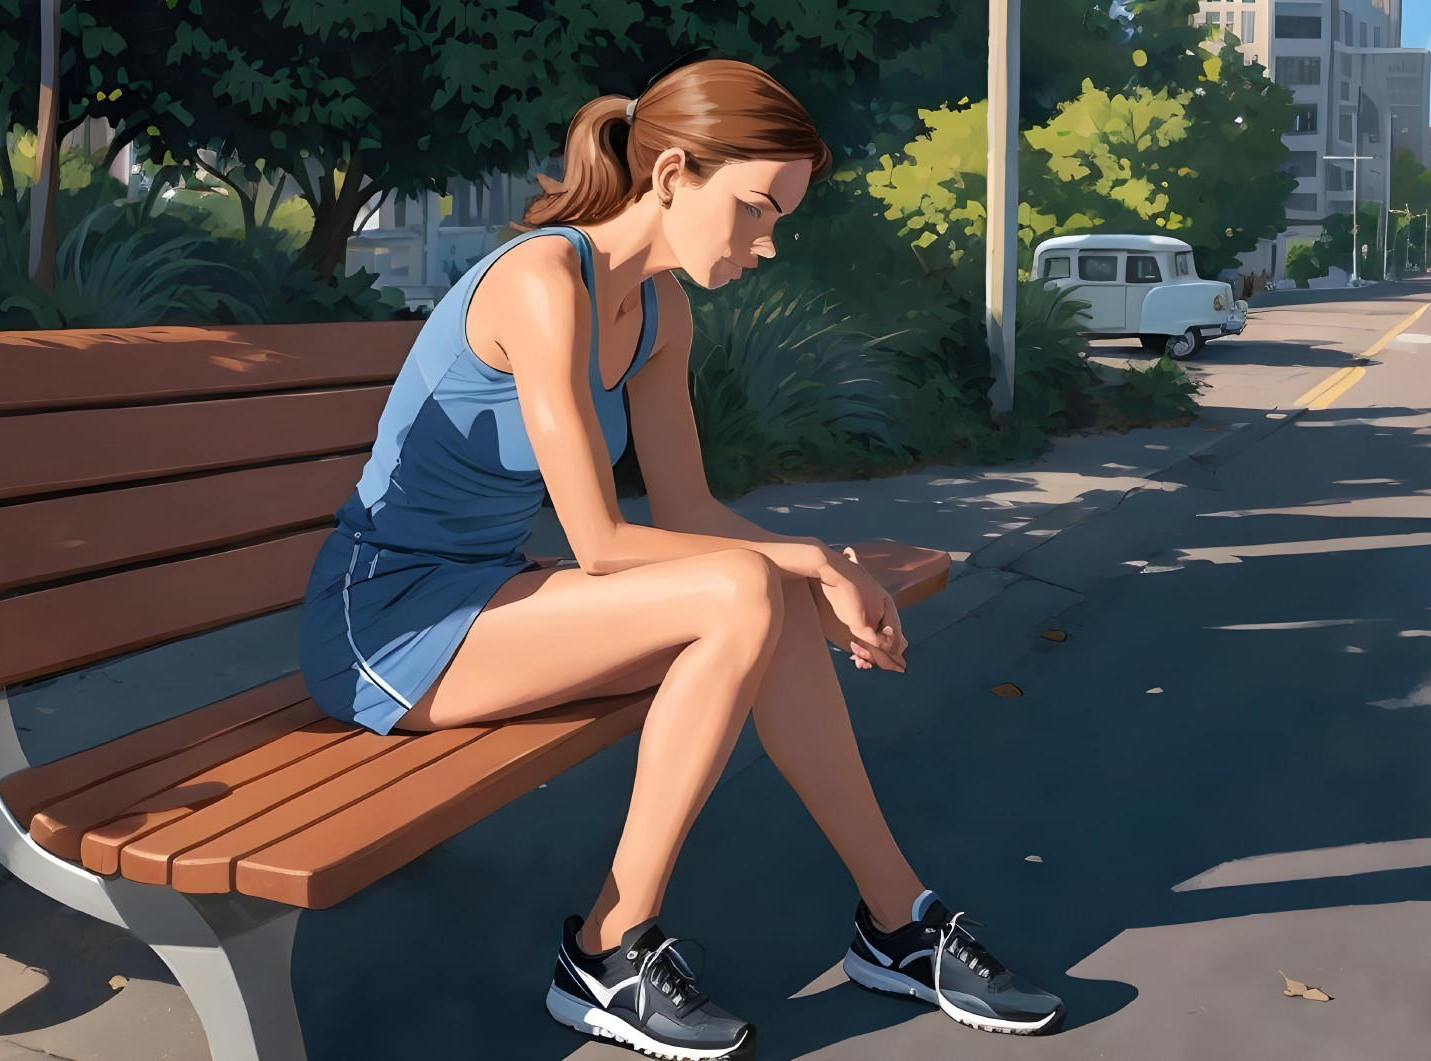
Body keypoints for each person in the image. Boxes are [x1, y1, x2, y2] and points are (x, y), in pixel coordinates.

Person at [297, 58, 1064, 1059]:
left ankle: (896, 918)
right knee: (756, 583)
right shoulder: (542, 283)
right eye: (751, 209)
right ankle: (607, 947)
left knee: (767, 592)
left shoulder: (661, 312)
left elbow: (692, 508)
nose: (766, 242)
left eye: (779, 217)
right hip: (383, 626)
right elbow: (600, 542)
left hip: (487, 598)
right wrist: (815, 560)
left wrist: (818, 560)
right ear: (667, 177)